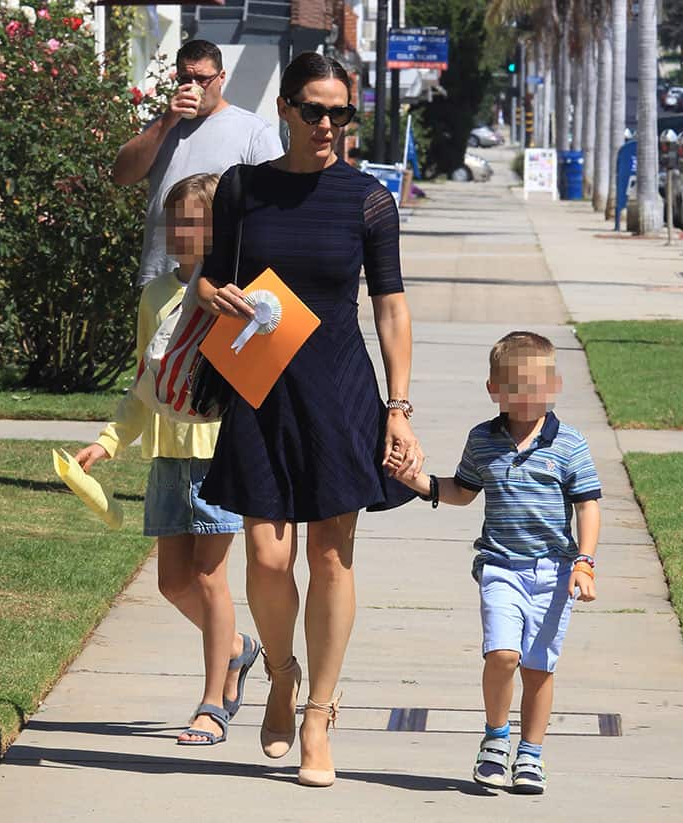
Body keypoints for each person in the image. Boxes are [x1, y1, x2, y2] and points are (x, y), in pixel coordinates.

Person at [195, 51, 424, 787]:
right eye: (316, 110)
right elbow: (206, 275)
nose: (329, 125)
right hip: (260, 383)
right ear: (287, 110)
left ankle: (319, 715)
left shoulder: (367, 199)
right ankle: (282, 672)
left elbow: (389, 304)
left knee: (330, 555)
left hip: (339, 389)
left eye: (341, 113)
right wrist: (213, 297)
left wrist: (399, 406)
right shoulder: (244, 187)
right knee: (265, 556)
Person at [75, 174, 259, 745]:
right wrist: (107, 441)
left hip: (219, 456)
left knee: (208, 578)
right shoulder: (154, 295)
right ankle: (235, 648)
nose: (182, 231)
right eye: (175, 221)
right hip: (167, 457)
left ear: (219, 228)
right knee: (172, 584)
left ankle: (212, 704)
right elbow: (145, 386)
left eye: (196, 221)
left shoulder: (236, 294)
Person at [390, 331, 601, 795]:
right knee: (503, 655)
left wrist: (584, 562)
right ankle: (495, 738)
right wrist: (417, 481)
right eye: (516, 389)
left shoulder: (569, 444)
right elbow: (462, 492)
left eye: (537, 388)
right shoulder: (483, 440)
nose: (527, 398)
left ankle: (530, 753)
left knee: (538, 668)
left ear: (555, 387)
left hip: (555, 572)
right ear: (494, 391)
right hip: (501, 567)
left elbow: (587, 504)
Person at [112, 39, 283, 286]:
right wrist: (165, 122)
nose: (193, 87)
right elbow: (121, 175)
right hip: (161, 275)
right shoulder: (163, 127)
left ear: (221, 77)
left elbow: (273, 208)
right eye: (184, 80)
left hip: (219, 282)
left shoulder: (253, 132)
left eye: (202, 79)